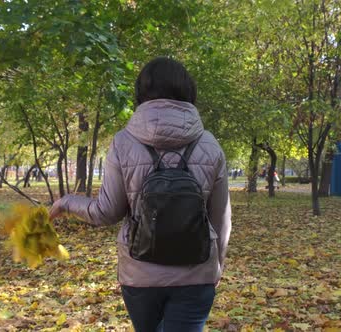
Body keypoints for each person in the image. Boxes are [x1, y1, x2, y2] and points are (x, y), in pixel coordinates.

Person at [50, 57, 231, 332]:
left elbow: (106, 212)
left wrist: (66, 202)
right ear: (189, 91)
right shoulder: (210, 144)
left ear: (141, 93)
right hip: (197, 273)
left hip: (140, 273)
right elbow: (221, 218)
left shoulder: (123, 142)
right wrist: (218, 264)